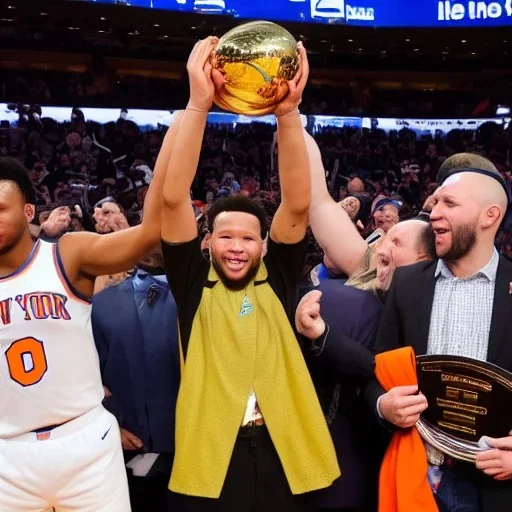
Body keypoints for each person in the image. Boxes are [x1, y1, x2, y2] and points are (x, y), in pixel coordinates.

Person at [161, 37, 339, 511]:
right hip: (217, 455)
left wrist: (288, 114)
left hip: (284, 447)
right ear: (207, 243)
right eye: (226, 237)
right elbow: (174, 199)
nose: (237, 247)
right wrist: (199, 104)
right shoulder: (192, 284)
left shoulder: (277, 277)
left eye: (248, 238)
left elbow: (298, 202)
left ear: (263, 245)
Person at [0, 110, 183, 512]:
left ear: (29, 212)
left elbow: (152, 230)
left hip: (84, 441)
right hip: (7, 454)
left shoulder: (67, 254)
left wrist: (189, 119)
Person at [368, 154, 512, 512]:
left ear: (489, 216)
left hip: (494, 487)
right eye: (435, 202)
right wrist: (383, 405)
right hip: (418, 472)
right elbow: (375, 373)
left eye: (449, 203)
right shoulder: (407, 285)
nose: (433, 212)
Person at [93, 249, 180, 512]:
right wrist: (111, 424)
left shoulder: (204, 297)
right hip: (123, 450)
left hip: (195, 448)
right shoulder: (100, 304)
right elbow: (85, 375)